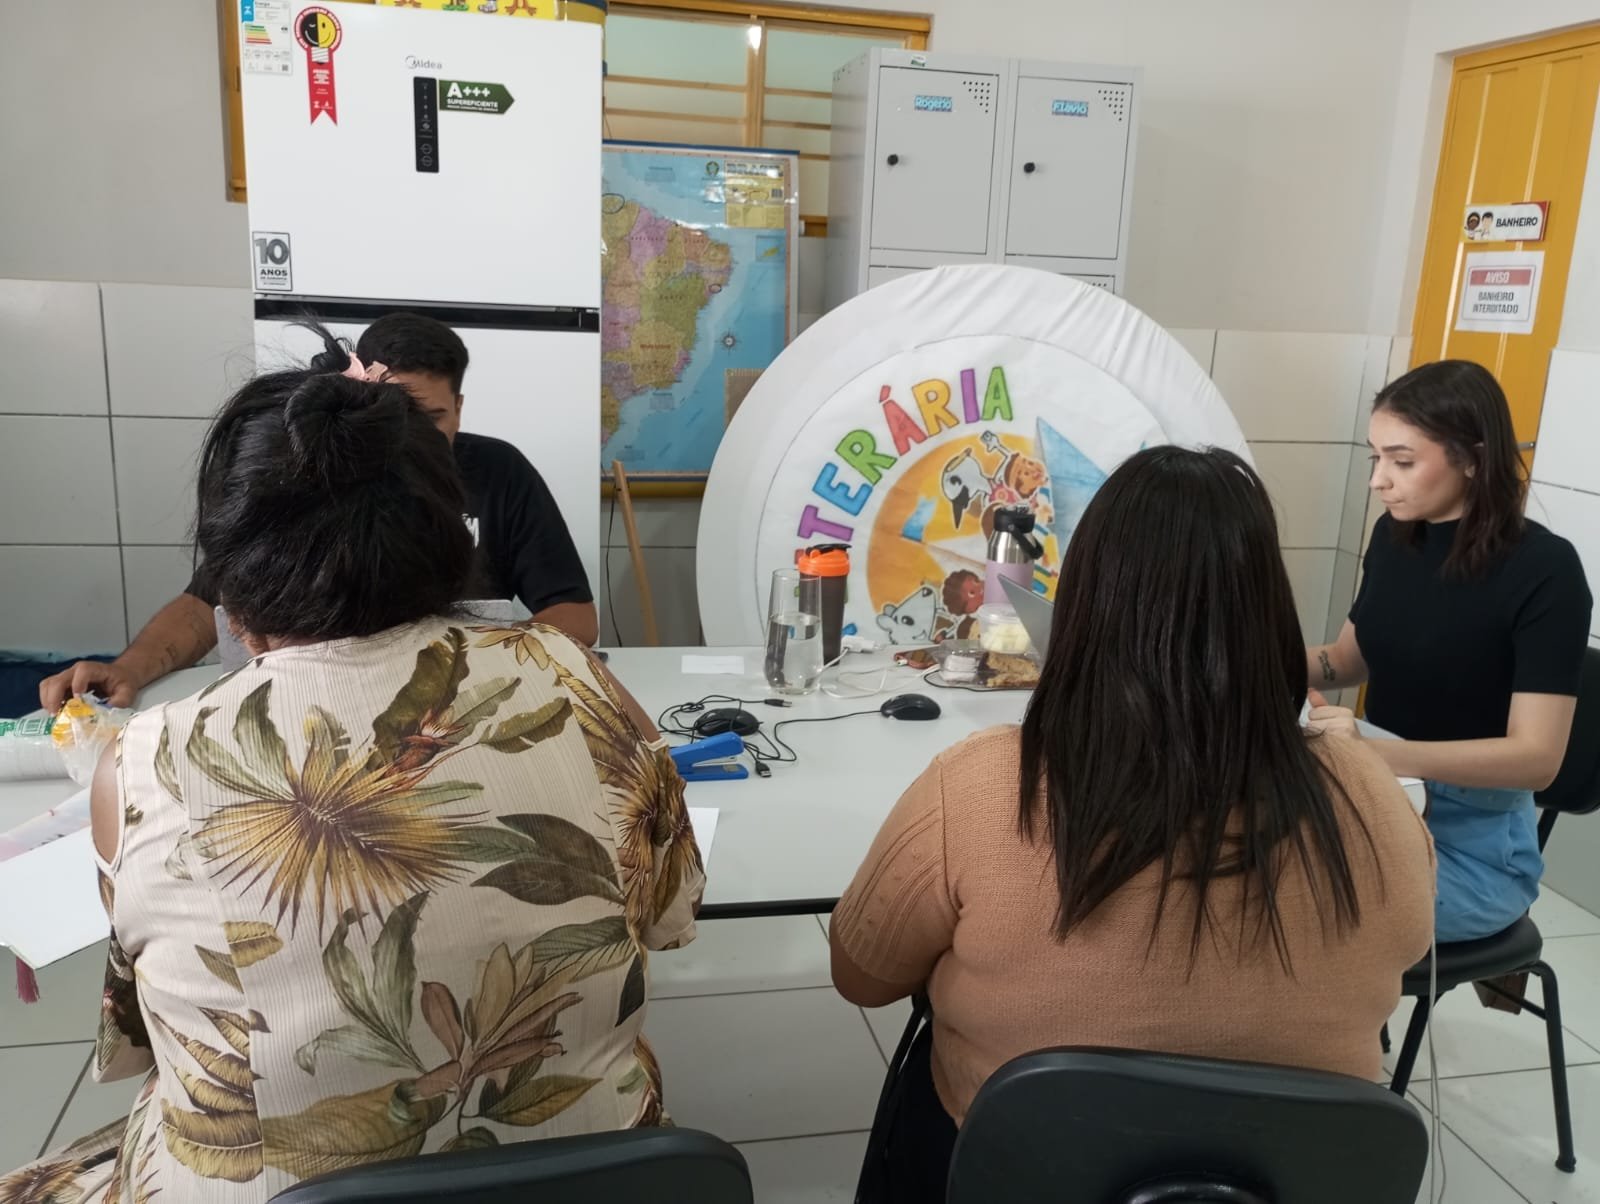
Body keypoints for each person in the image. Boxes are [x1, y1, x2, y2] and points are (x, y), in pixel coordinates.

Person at [1, 330, 700, 1203]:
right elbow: (670, 913)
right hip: (593, 1177)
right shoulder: (586, 686)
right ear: (449, 538)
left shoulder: (147, 762)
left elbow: (150, 1030)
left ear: (234, 590)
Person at [830, 446, 1434, 1203]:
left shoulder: (985, 784)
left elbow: (862, 975)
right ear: (1269, 612)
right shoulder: (1367, 791)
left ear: (1084, 607)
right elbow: (1410, 947)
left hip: (1013, 1177)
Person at [39, 311, 597, 712]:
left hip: (444, 709)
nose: (413, 436)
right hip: (305, 705)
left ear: (459, 408)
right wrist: (128, 669)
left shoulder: (499, 470)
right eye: (396, 412)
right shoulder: (308, 463)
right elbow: (206, 601)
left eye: (429, 417)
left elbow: (574, 616)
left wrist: (474, 664)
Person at [1307, 360, 1591, 943]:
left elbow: (1537, 759)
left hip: (1474, 848)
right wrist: (1247, 660)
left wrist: (1379, 755)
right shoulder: (1394, 537)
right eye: (1375, 458)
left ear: (1473, 459)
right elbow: (1348, 660)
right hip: (1379, 799)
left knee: (1289, 904)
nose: (1378, 481)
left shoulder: (1546, 570)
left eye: (1402, 461)